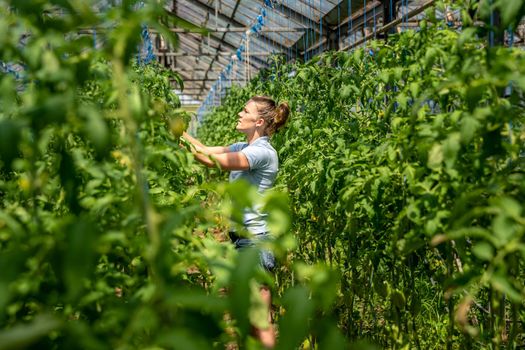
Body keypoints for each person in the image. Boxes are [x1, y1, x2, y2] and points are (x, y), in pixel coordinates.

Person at [181, 95, 290, 348]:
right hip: (245, 242)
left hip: (256, 244)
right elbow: (206, 150)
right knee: (253, 321)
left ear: (259, 121)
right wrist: (177, 131)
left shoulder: (262, 153)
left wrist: (175, 134)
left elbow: (212, 161)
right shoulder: (243, 147)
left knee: (260, 321)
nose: (240, 114)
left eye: (245, 111)